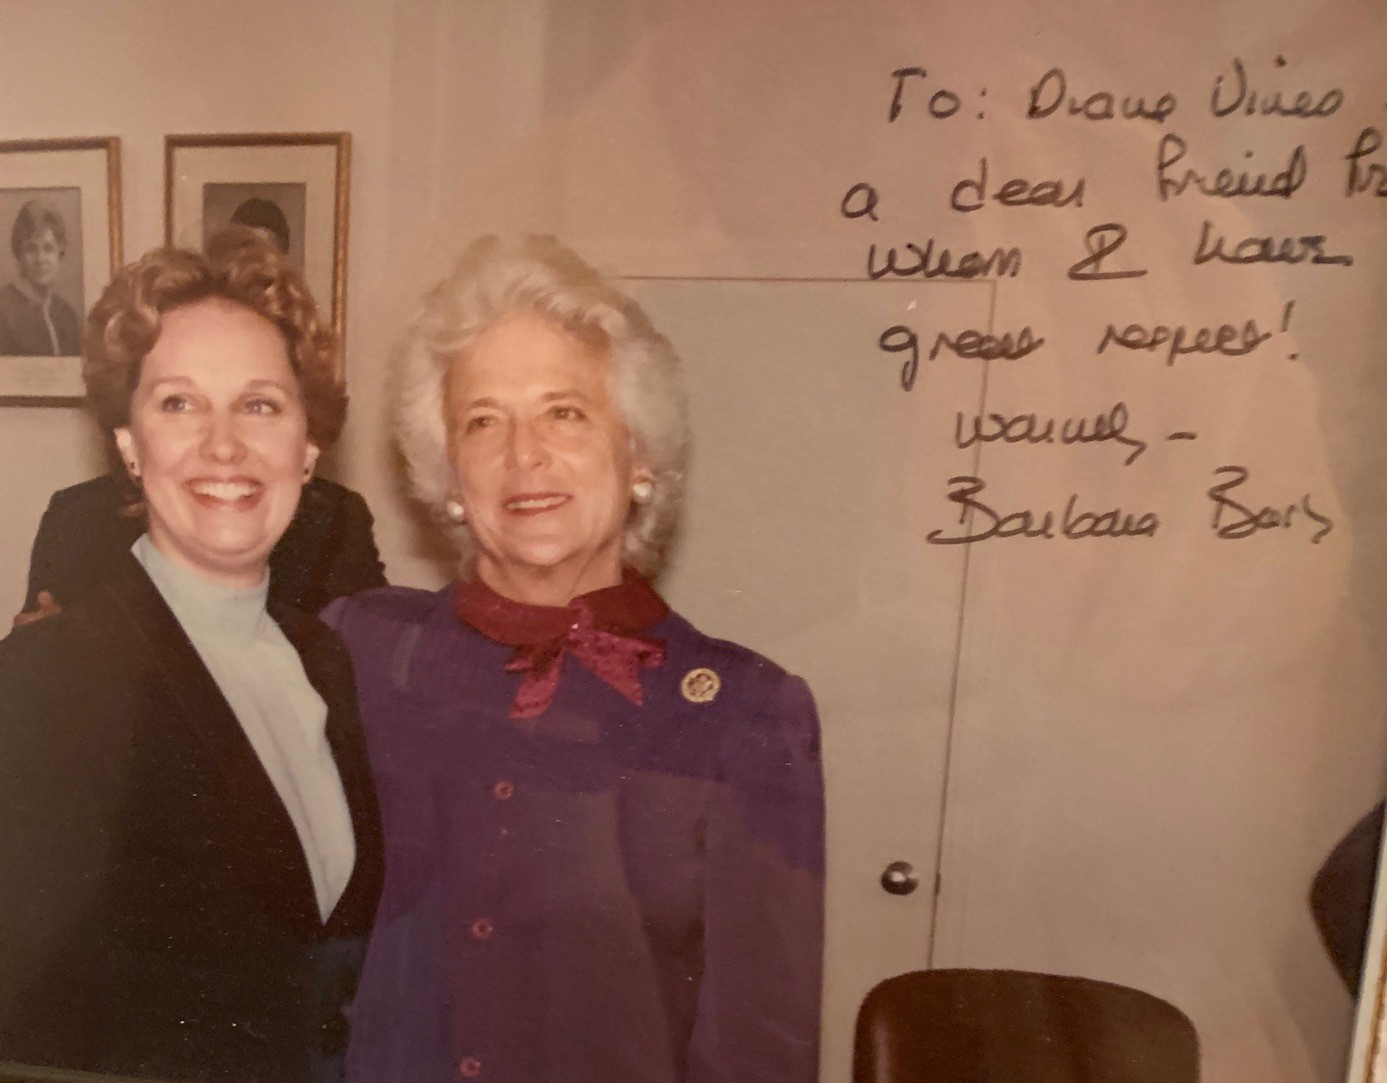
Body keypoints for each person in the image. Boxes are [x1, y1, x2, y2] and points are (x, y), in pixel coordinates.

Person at [326, 236, 825, 1083]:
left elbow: (759, 1054)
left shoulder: (746, 712)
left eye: (565, 411)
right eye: (482, 420)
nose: (524, 454)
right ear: (449, 476)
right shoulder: (361, 652)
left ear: (638, 459)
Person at [0, 233, 383, 1083]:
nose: (222, 445)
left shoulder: (324, 659)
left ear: (308, 446)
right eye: (179, 403)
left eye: (259, 405)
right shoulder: (41, 685)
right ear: (129, 442)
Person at [0, 199, 81, 356]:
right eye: (31, 249)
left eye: (48, 249)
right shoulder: (2, 309)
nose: (40, 259)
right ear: (19, 254)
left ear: (60, 254)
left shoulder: (66, 315)